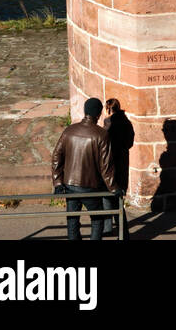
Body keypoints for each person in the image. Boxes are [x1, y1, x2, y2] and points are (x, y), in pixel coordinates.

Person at [51, 97, 120, 242]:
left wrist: (58, 183)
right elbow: (106, 166)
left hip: (70, 185)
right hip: (90, 186)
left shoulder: (69, 130)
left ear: (85, 111)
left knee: (72, 220)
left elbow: (56, 157)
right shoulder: (101, 135)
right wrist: (114, 188)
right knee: (97, 219)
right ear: (98, 114)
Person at [103, 98, 135, 237]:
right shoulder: (127, 123)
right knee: (119, 197)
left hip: (111, 164)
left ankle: (108, 228)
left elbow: (103, 143)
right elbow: (129, 143)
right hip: (122, 163)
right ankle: (122, 231)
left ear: (109, 109)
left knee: (107, 196)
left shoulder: (109, 123)